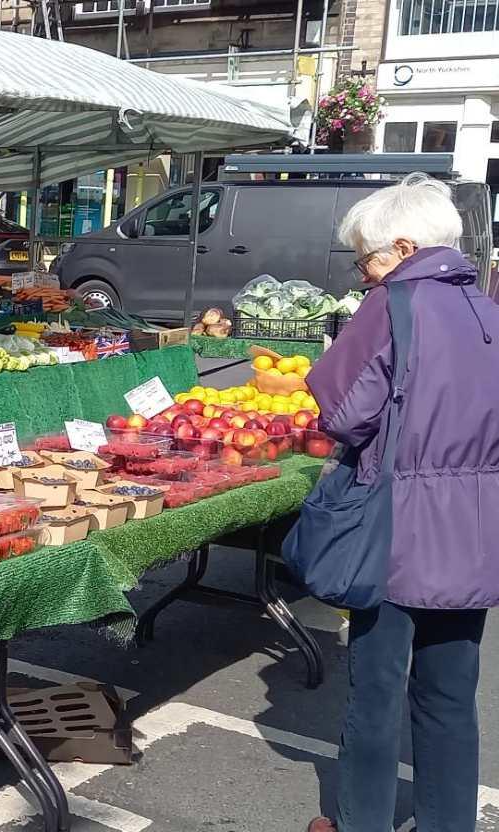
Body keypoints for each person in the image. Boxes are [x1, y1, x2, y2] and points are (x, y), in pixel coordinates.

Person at [304, 174, 499, 832]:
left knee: (377, 694)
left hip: (395, 530)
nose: (365, 275)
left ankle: (363, 822)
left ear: (405, 247)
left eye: (368, 259)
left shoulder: (392, 306)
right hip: (473, 536)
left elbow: (343, 410)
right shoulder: (488, 310)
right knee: (450, 698)